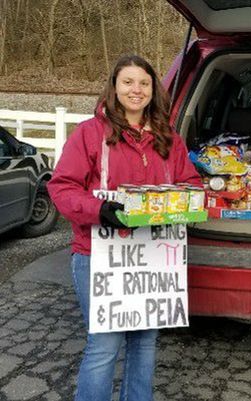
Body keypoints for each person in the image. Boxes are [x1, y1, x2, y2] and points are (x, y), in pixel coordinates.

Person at [48, 54, 201, 401]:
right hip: (98, 256)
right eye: (128, 82)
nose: (137, 90)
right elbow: (61, 187)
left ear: (154, 90)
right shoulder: (89, 133)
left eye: (144, 83)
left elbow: (189, 182)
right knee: (104, 344)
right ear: (114, 88)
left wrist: (190, 202)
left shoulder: (169, 137)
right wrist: (99, 210)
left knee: (145, 342)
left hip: (154, 258)